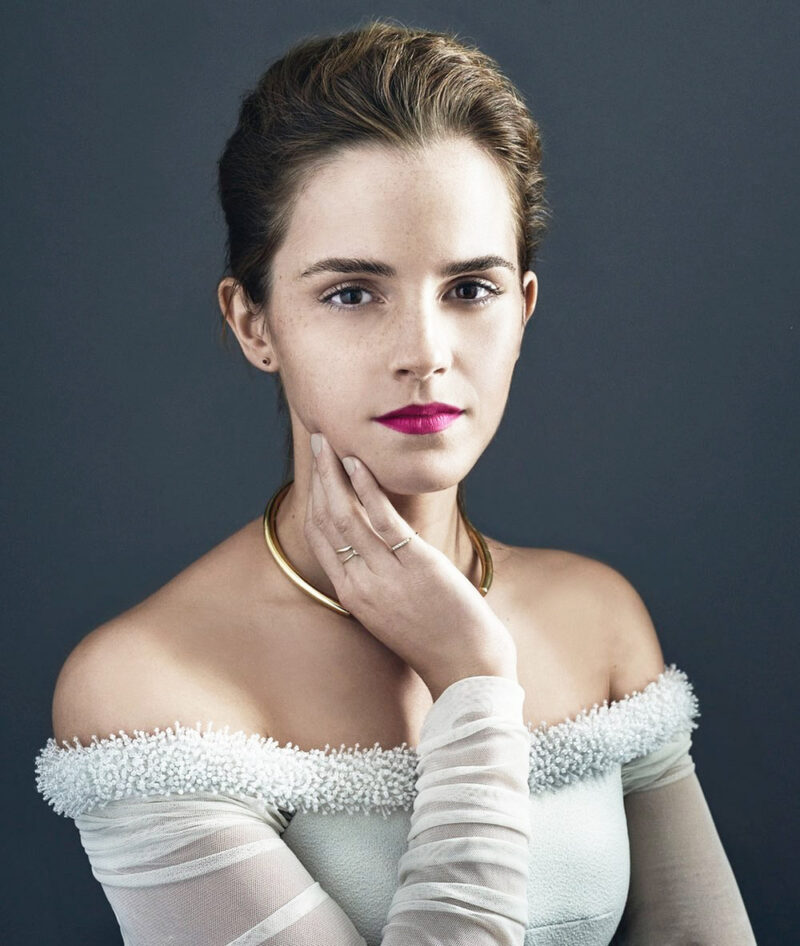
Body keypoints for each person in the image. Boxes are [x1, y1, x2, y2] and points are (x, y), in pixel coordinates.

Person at [34, 18, 757, 946]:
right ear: (255, 323)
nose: (424, 353)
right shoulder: (146, 687)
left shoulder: (599, 619)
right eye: (351, 292)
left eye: (470, 289)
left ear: (523, 309)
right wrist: (474, 678)